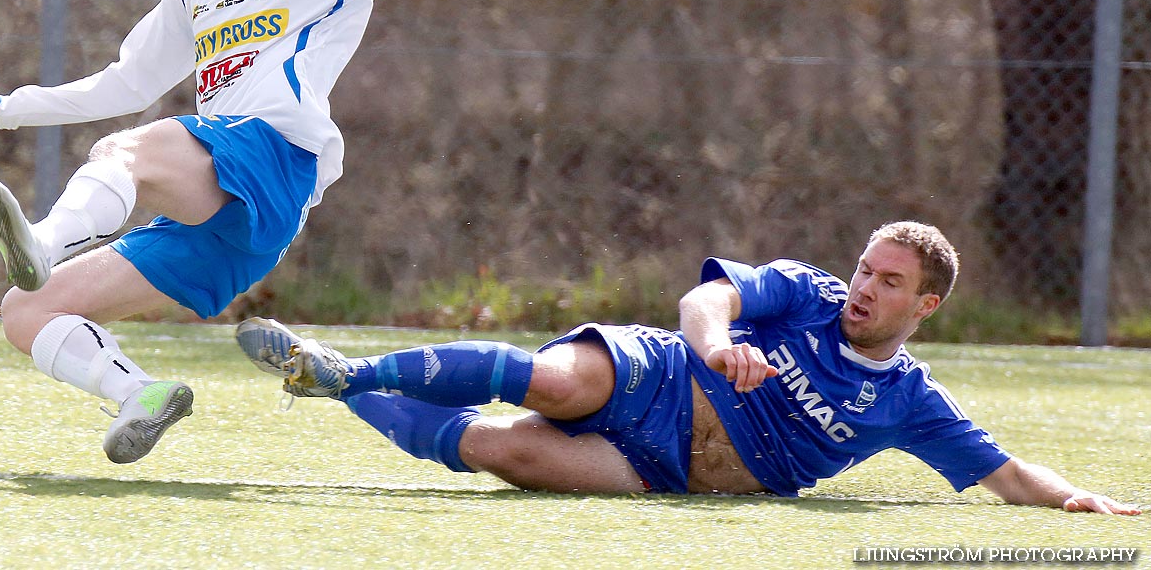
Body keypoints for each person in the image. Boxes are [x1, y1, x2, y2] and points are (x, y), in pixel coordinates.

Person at [0, 0, 672, 465]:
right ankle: (140, 396)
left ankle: (44, 238)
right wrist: (5, 109)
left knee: (129, 148)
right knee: (26, 310)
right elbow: (126, 81)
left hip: (273, 159)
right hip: (226, 207)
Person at [235, 221, 1140, 514]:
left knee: (504, 451)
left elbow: (1006, 471)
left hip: (663, 468)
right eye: (866, 267)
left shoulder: (909, 401)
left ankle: (325, 379)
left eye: (888, 281)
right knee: (556, 382)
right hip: (660, 375)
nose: (864, 286)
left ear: (924, 306)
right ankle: (355, 373)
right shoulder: (807, 292)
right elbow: (704, 303)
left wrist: (1070, 500)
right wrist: (714, 346)